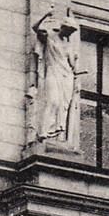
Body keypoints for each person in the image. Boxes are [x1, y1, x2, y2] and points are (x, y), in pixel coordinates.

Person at [31, 7, 80, 144]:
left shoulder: (69, 45)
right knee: (52, 101)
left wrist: (75, 60)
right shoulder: (50, 36)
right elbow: (35, 28)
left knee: (62, 105)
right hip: (53, 71)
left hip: (66, 75)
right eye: (69, 30)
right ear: (63, 27)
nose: (70, 33)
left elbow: (71, 65)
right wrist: (45, 15)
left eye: (72, 31)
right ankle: (43, 131)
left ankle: (57, 128)